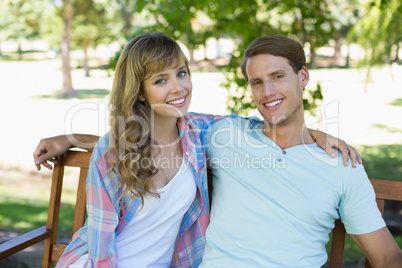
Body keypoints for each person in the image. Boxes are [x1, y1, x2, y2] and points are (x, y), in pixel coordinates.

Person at [33, 32, 361, 268]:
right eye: (160, 80)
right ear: (141, 92)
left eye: (181, 73)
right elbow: (103, 253)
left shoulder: (199, 132)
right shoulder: (113, 153)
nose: (178, 87)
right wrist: (71, 138)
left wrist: (315, 133)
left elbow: (267, 118)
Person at [198, 35, 402, 267]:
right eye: (257, 82)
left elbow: (386, 256)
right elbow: (170, 122)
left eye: (278, 76)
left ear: (302, 76)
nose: (267, 91)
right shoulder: (225, 135)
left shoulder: (341, 163)